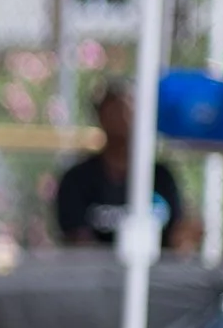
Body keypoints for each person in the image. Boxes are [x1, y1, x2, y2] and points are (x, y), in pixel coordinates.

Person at [53, 82, 194, 251]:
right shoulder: (77, 179)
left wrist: (186, 236)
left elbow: (177, 234)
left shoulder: (161, 177)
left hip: (154, 274)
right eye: (115, 110)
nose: (123, 117)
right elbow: (76, 238)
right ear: (100, 117)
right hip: (93, 274)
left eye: (129, 110)